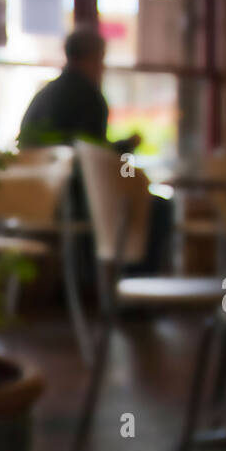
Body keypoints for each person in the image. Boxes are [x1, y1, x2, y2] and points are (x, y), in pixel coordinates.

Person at [18, 26, 171, 275]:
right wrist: (128, 145)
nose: (103, 66)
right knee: (158, 207)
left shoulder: (46, 94)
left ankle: (106, 287)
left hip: (39, 198)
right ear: (93, 57)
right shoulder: (89, 97)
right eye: (102, 58)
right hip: (72, 197)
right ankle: (133, 289)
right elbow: (93, 160)